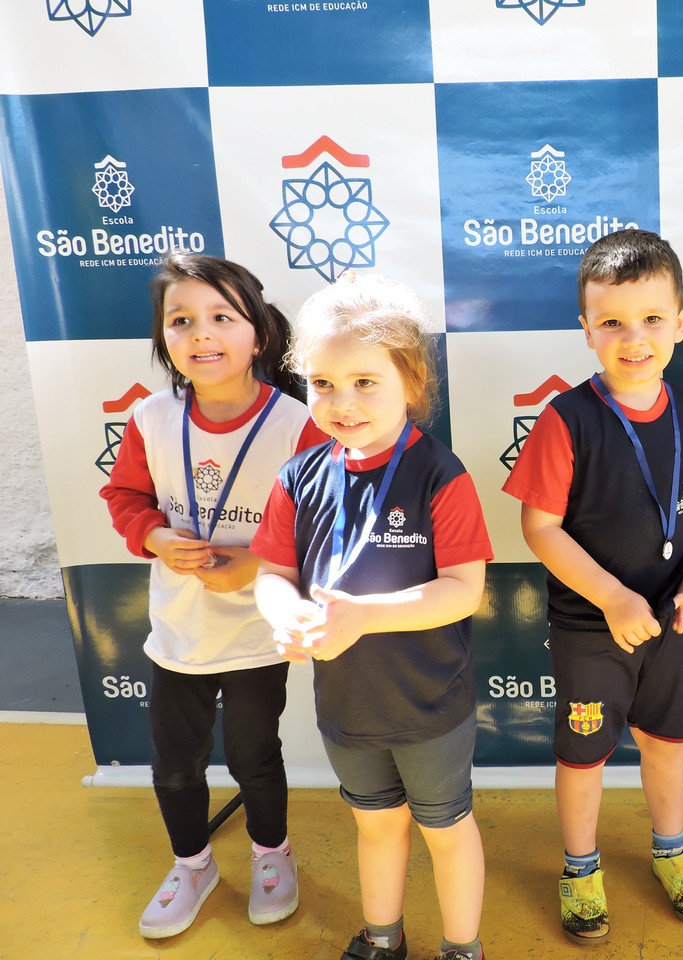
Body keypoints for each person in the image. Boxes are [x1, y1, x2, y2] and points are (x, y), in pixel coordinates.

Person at [503, 229, 683, 943]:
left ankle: (671, 849)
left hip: (669, 620)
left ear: (681, 323)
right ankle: (580, 868)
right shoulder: (566, 420)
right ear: (586, 329)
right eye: (612, 322)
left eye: (652, 319)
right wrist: (610, 596)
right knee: (583, 756)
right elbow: (539, 528)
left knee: (666, 742)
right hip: (589, 629)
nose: (634, 338)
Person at [251, 274, 492, 960]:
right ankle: (383, 939)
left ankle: (462, 948)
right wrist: (286, 614)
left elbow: (464, 591)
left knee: (446, 831)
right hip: (348, 707)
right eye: (323, 384)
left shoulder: (441, 475)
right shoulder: (298, 478)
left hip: (429, 708)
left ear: (410, 381)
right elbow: (272, 575)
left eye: (364, 382)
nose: (342, 402)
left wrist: (362, 616)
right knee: (376, 826)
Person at [101, 251, 328, 939]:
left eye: (222, 317)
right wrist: (154, 538)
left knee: (256, 756)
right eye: (181, 321)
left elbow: (324, 527)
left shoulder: (298, 423)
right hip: (180, 632)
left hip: (258, 632)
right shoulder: (150, 417)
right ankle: (193, 865)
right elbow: (125, 496)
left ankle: (271, 853)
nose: (201, 333)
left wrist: (256, 565)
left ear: (258, 335)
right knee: (175, 765)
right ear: (164, 339)